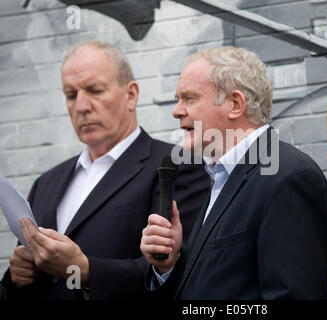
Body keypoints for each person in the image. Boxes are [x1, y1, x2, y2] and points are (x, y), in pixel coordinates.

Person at [1, 41, 210, 300]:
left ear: (131, 94)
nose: (81, 106)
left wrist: (86, 270)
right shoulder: (46, 183)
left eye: (95, 90)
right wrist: (17, 277)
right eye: (70, 95)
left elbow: (183, 272)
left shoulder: (177, 165)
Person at [140, 46, 327, 299]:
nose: (176, 111)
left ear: (235, 104)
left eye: (189, 98)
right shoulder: (221, 178)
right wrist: (168, 265)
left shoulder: (288, 178)